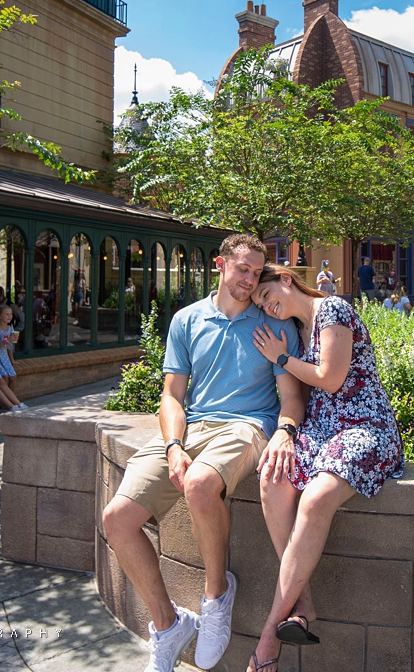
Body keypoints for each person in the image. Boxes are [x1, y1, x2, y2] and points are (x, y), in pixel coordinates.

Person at [101, 234, 304, 672]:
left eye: (256, 271)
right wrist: (173, 445)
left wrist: (285, 432)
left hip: (248, 426)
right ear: (220, 264)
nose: (250, 279)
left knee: (199, 484)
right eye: (242, 269)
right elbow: (172, 396)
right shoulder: (187, 320)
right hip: (192, 428)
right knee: (116, 520)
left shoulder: (274, 323)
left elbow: (291, 397)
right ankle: (168, 625)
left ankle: (216, 596)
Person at [248, 266, 404, 671]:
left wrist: (280, 358)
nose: (268, 304)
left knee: (315, 499)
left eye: (267, 294)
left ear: (285, 279)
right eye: (262, 303)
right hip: (321, 430)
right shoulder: (298, 328)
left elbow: (331, 379)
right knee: (272, 477)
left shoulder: (332, 309)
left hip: (363, 426)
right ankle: (302, 603)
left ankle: (268, 639)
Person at [0, 303, 21, 396]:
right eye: (7, 314)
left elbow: (9, 346)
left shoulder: (10, 328)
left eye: (11, 314)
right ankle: (4, 400)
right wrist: (6, 341)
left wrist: (12, 359)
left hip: (4, 356)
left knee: (13, 377)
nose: (9, 316)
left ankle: (11, 398)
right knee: (4, 377)